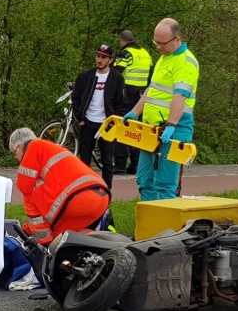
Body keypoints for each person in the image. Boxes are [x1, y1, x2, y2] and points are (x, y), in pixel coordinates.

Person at [122, 18, 199, 201]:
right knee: (144, 180)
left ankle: (167, 227)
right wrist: (135, 111)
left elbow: (180, 96)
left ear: (176, 39)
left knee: (165, 185)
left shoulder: (186, 62)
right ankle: (149, 223)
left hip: (174, 130)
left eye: (162, 43)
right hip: (152, 129)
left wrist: (171, 124)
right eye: (155, 42)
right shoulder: (164, 58)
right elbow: (153, 89)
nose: (158, 47)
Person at [9, 128, 110, 245]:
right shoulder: (52, 149)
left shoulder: (34, 145)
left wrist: (41, 240)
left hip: (79, 199)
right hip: (101, 198)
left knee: (30, 192)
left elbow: (23, 185)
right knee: (61, 236)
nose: (16, 158)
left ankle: (44, 243)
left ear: (20, 146)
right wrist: (27, 229)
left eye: (14, 153)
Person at [71, 44, 125, 189]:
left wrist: (114, 122)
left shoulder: (117, 78)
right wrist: (80, 118)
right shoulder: (85, 76)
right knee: (84, 161)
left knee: (107, 161)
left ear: (110, 60)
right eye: (98, 56)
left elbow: (120, 103)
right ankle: (84, 190)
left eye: (103, 57)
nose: (99, 60)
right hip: (88, 123)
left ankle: (106, 192)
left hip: (107, 125)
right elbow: (75, 98)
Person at [113, 30, 153, 175]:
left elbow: (115, 73)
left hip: (126, 95)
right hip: (142, 96)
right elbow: (151, 75)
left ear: (121, 41)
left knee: (122, 127)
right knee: (138, 129)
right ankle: (135, 164)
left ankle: (120, 164)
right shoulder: (145, 53)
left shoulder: (126, 53)